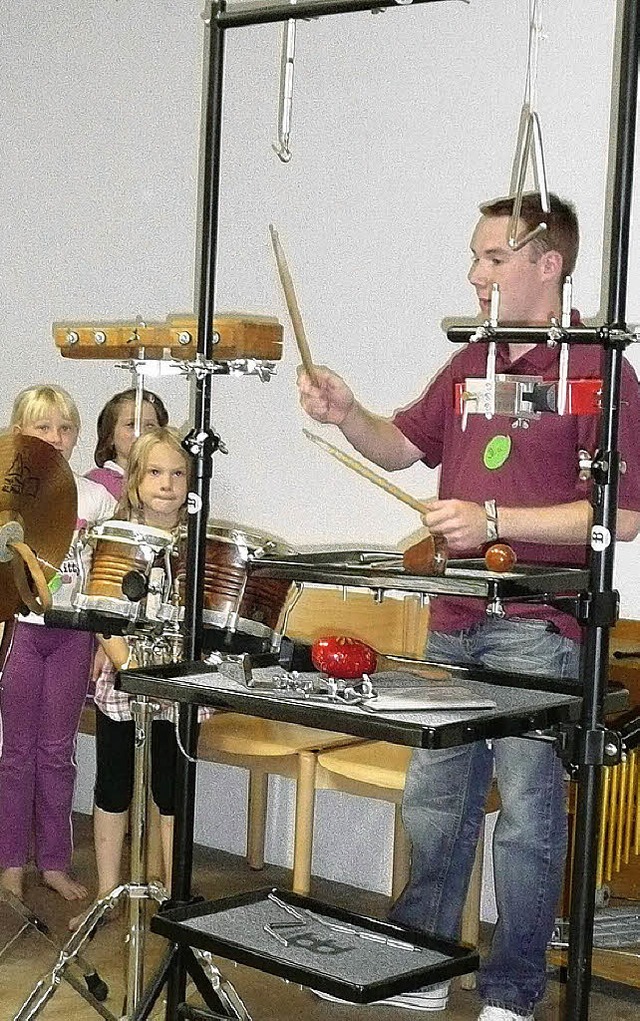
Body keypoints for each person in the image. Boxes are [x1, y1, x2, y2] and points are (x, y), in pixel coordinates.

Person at [298, 194, 640, 1021]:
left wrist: (492, 522)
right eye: (478, 257)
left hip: (541, 631)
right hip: (455, 619)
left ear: (546, 264)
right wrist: (348, 414)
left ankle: (513, 993)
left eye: (492, 257)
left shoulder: (598, 367)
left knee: (525, 820)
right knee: (437, 802)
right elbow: (401, 445)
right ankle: (417, 969)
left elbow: (620, 515)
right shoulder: (470, 364)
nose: (475, 275)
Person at [0, 385, 116, 902]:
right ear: (18, 434)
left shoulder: (96, 498)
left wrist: (100, 643)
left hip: (72, 636)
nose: (55, 437)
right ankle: (9, 864)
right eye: (42, 427)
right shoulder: (7, 494)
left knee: (56, 752)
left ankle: (54, 862)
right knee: (15, 754)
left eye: (65, 428)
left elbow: (110, 574)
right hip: (20, 632)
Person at [85, 426, 192, 915]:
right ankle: (109, 892)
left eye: (177, 473)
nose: (167, 484)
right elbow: (100, 609)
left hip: (174, 684)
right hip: (124, 682)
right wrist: (126, 662)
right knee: (113, 784)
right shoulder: (114, 536)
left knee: (170, 790)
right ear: (133, 480)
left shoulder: (196, 544)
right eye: (154, 472)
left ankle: (174, 894)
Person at [86, 387, 169, 499]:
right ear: (110, 436)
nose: (141, 433)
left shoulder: (168, 482)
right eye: (131, 425)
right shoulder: (95, 484)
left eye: (150, 425)